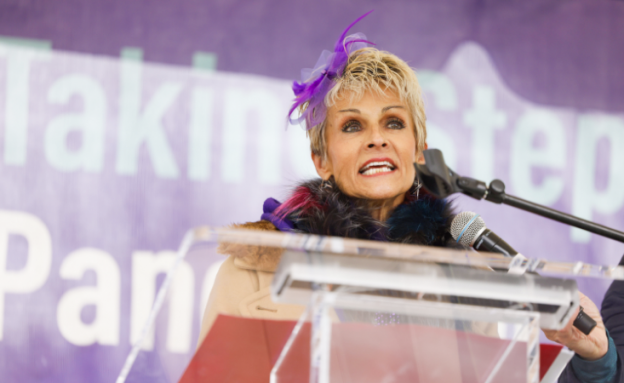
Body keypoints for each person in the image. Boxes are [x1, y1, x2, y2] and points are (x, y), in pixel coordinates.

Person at [199, 12, 621, 382]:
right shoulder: (251, 271)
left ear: (418, 151)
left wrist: (592, 363)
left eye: (394, 123)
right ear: (320, 159)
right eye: (352, 126)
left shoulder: (462, 276)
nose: (377, 139)